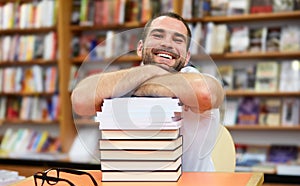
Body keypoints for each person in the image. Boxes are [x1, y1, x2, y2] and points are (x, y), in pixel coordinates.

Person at [71, 12, 225, 171]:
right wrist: (152, 70)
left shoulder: (191, 76)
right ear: (140, 48)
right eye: (158, 36)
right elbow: (80, 100)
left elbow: (205, 93)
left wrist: (133, 86)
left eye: (178, 40)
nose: (167, 44)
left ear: (186, 57)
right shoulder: (129, 77)